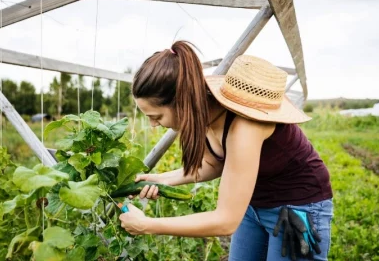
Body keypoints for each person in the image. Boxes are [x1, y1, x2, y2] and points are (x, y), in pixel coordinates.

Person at [119, 41, 333, 261]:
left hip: (298, 208)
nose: (154, 125)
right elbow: (212, 164)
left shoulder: (243, 128)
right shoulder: (205, 112)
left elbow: (226, 220)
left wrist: (147, 225)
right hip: (254, 207)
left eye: (156, 116)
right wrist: (158, 179)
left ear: (182, 102)